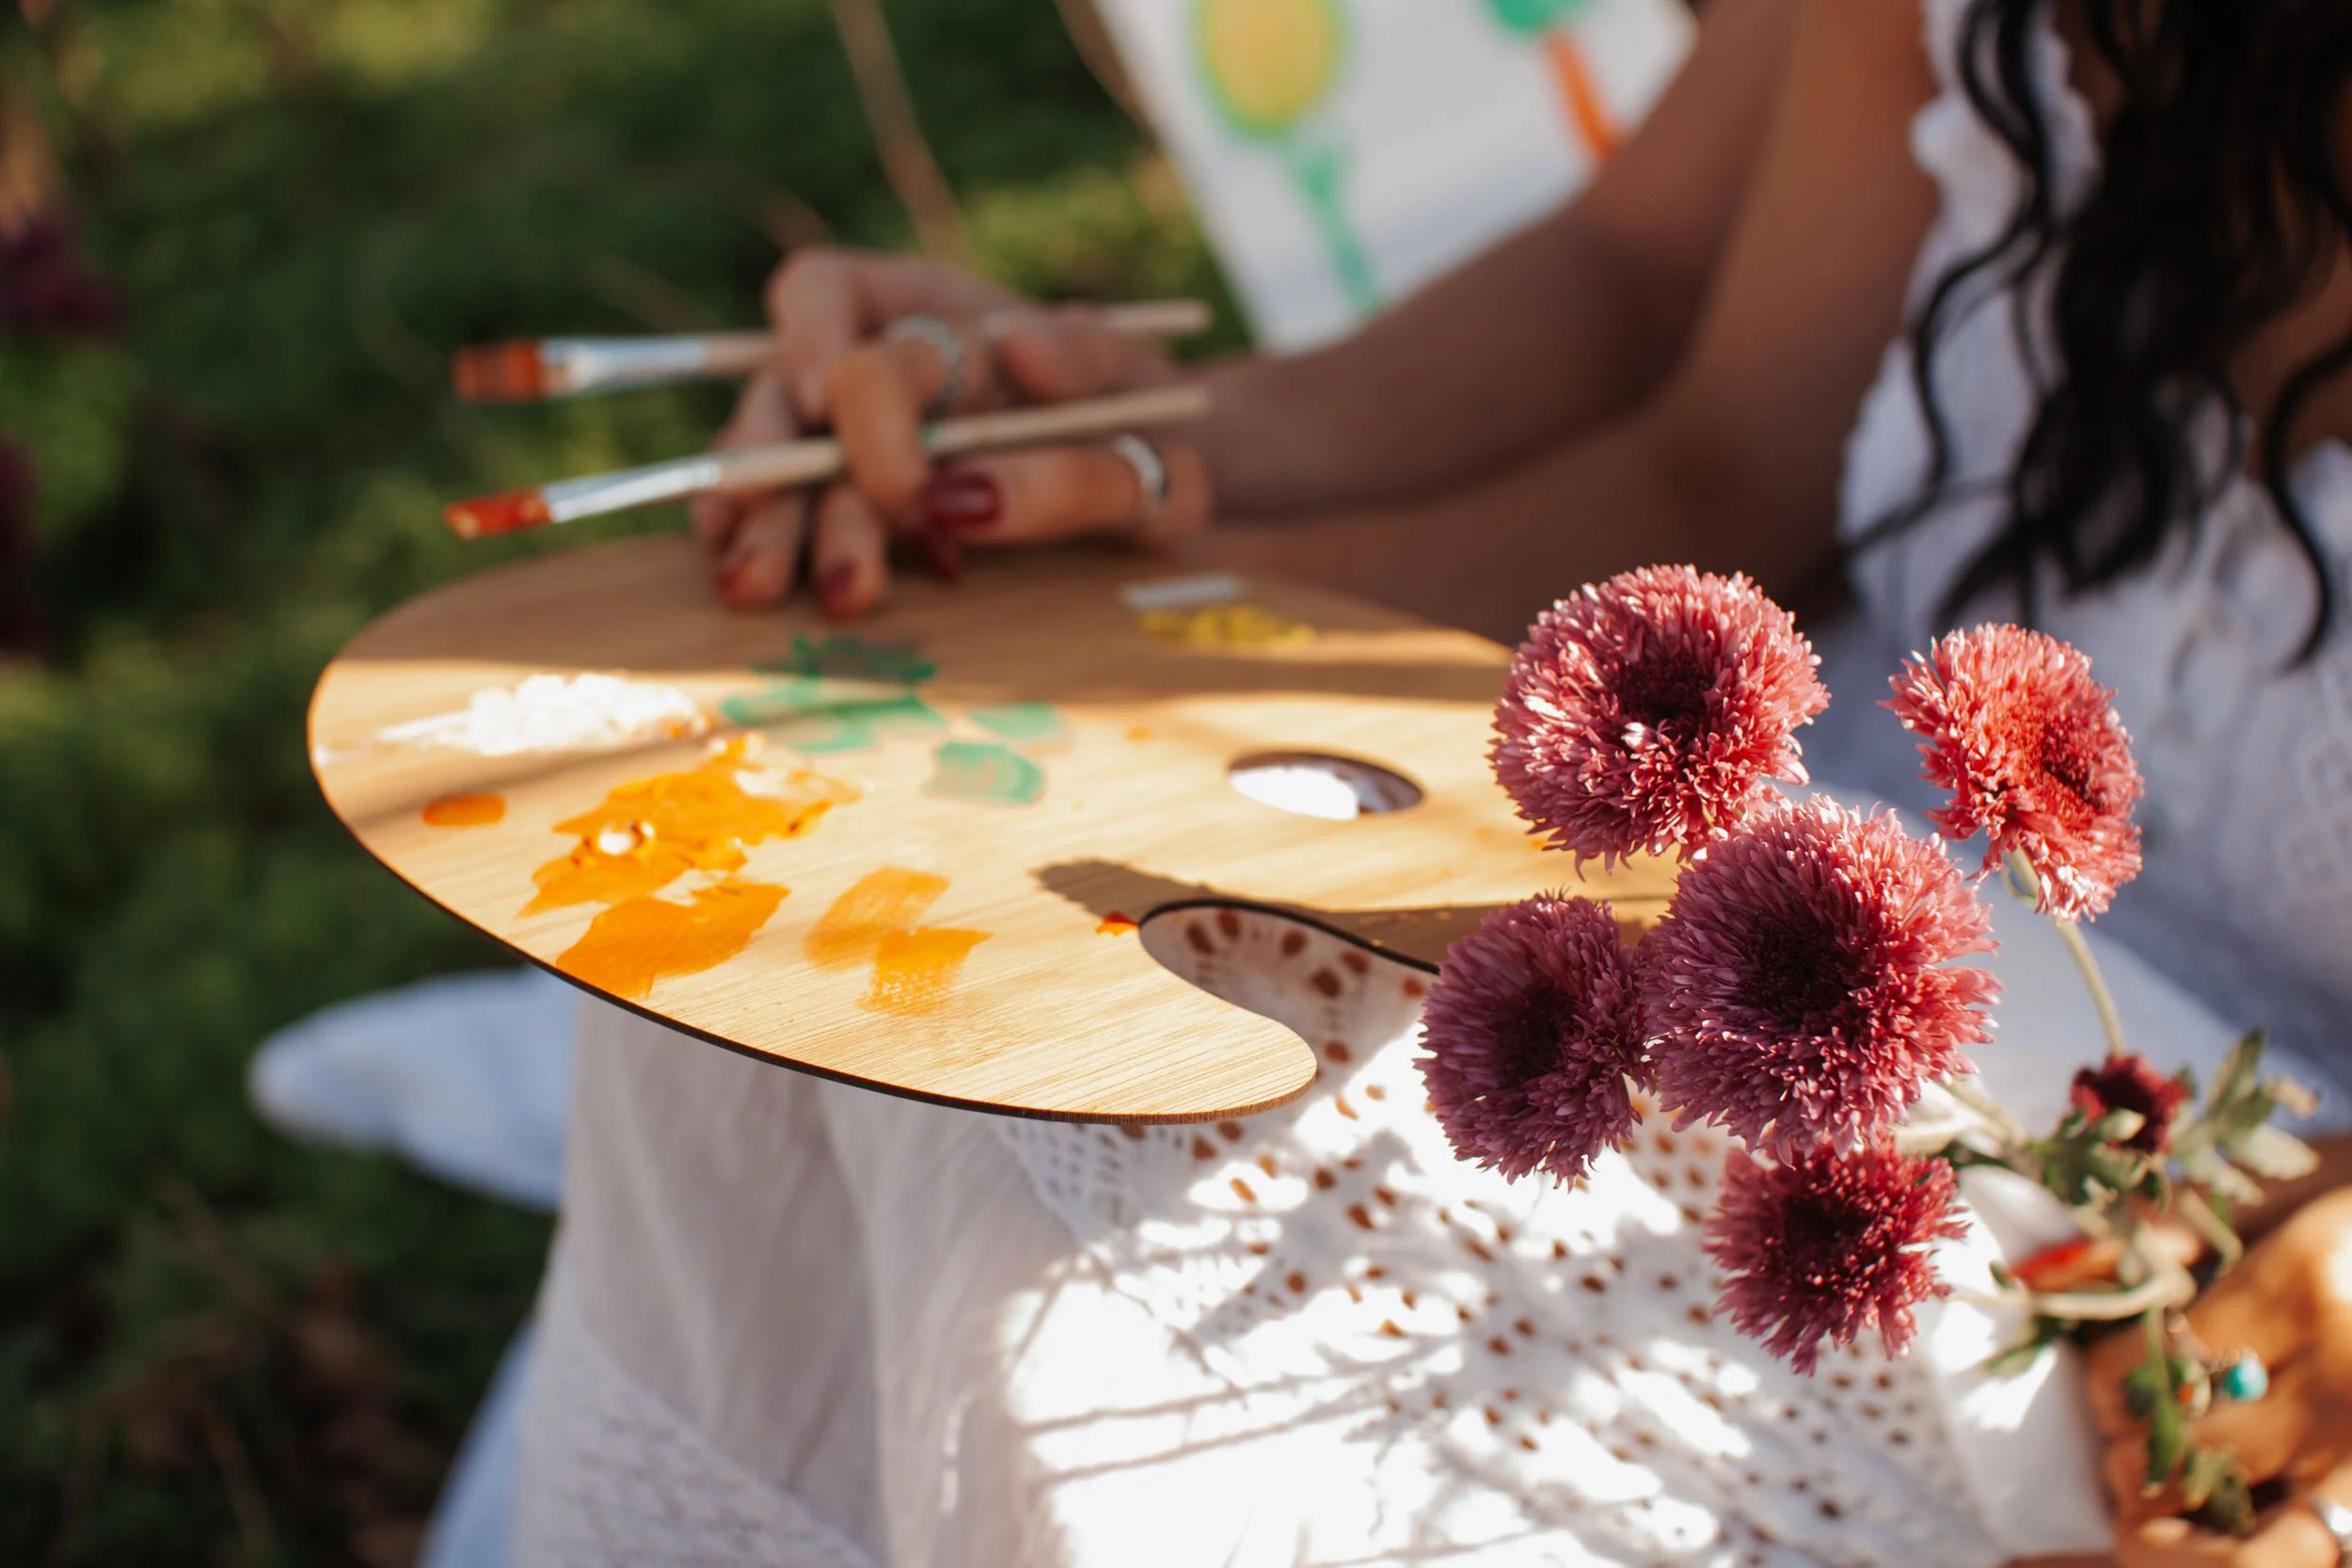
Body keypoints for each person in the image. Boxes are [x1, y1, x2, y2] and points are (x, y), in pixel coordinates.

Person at [509, 1, 2352, 1564]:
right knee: (853, 840)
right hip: (1729, 921)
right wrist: (1092, 493)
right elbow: (1694, 427)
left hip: (2178, 1280)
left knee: (1052, 1179)